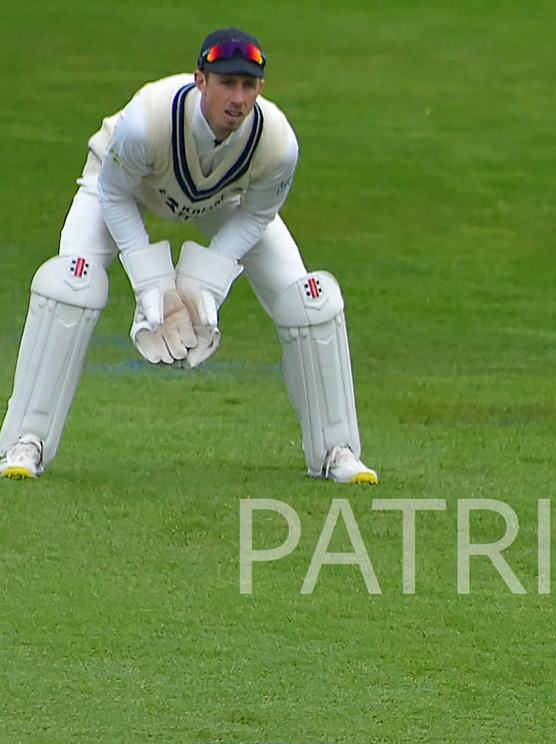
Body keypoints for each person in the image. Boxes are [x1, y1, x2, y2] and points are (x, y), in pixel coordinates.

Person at [0, 29, 375, 484]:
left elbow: (259, 214)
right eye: (226, 83)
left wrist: (205, 283)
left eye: (248, 85)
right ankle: (24, 443)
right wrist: (150, 281)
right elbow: (113, 195)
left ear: (261, 88)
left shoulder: (277, 143)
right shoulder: (146, 122)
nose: (237, 98)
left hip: (225, 199)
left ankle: (336, 452)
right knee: (70, 285)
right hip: (123, 187)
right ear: (200, 80)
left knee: (310, 300)